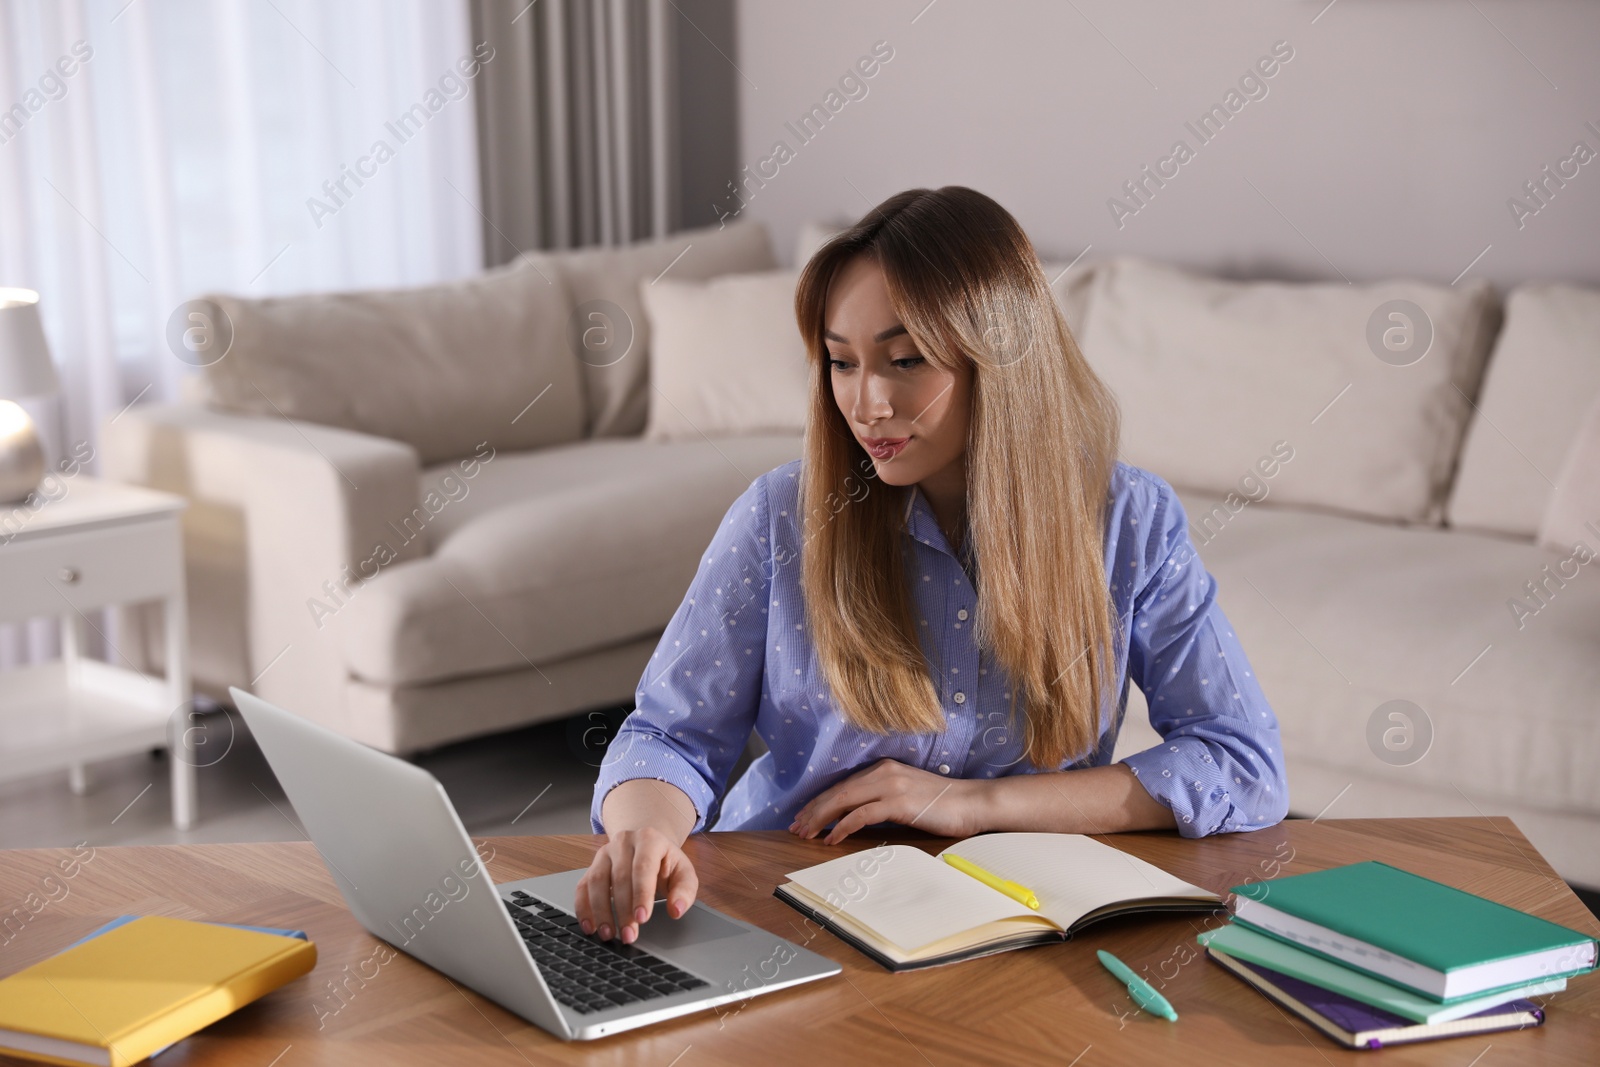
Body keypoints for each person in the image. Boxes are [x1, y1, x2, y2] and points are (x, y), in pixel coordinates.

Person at [574, 186, 1288, 945]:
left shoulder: (1126, 519)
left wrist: (969, 804)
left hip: (1017, 924)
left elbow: (1240, 760)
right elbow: (671, 734)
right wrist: (643, 833)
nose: (867, 402)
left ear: (999, 356)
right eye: (841, 363)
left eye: (905, 360)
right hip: (786, 905)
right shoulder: (781, 515)